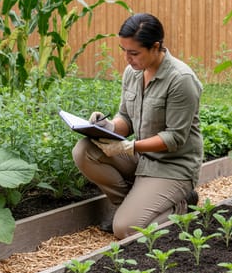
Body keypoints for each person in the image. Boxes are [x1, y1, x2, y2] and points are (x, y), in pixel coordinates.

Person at [72, 13, 203, 239]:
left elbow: (174, 139)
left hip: (172, 167)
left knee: (126, 230)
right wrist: (107, 126)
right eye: (123, 50)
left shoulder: (181, 80)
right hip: (142, 158)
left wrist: (129, 148)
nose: (127, 58)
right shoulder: (133, 73)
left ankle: (181, 205)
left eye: (133, 53)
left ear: (155, 47)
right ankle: (133, 206)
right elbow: (126, 118)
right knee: (84, 151)